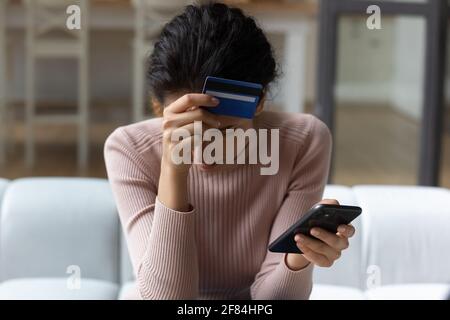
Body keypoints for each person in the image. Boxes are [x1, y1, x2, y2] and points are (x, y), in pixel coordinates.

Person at [104, 2, 355, 300]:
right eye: (188, 133)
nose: (203, 154)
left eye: (223, 132)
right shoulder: (130, 149)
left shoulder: (303, 141)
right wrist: (174, 169)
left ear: (258, 103)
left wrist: (299, 256)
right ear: (160, 109)